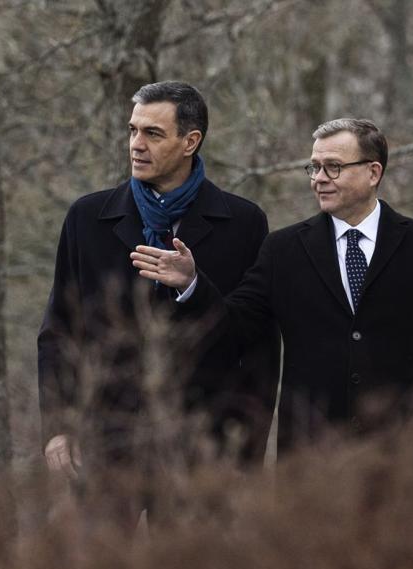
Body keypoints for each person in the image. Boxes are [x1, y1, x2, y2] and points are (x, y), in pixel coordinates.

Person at [131, 118, 413, 471]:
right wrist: (192, 284)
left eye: (334, 167)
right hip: (310, 466)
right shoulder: (283, 250)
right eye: (314, 167)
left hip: (402, 462)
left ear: (373, 172)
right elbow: (235, 329)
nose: (319, 178)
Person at [38, 82, 279, 506]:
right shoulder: (87, 218)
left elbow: (257, 347)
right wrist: (59, 427)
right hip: (104, 447)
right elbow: (59, 332)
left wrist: (246, 456)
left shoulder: (243, 223)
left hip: (203, 451)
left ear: (191, 142)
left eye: (152, 134)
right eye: (133, 131)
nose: (136, 144)